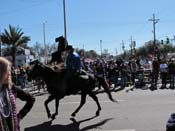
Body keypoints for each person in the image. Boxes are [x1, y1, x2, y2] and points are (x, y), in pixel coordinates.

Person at [0, 57, 35, 131]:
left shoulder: (12, 88)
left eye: (10, 70)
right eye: (7, 70)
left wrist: (19, 117)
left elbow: (31, 99)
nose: (10, 73)